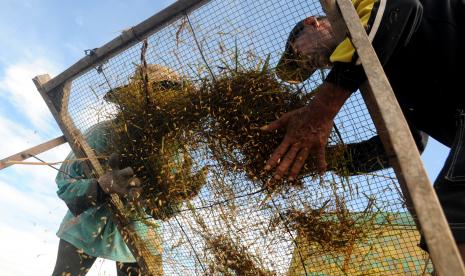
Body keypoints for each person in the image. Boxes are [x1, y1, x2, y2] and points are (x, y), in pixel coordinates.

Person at [261, 0, 465, 260]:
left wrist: (320, 109)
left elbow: (401, 8)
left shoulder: (350, 7)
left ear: (311, 23)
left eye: (297, 52)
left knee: (451, 226)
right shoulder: (391, 70)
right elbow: (410, 141)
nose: (315, 64)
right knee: (446, 231)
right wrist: (326, 159)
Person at [51, 64, 181, 276]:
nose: (156, 101)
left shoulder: (174, 151)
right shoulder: (103, 133)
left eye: (165, 93)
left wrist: (155, 197)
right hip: (86, 224)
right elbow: (65, 182)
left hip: (139, 233)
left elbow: (169, 209)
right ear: (135, 97)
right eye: (152, 92)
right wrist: (100, 187)